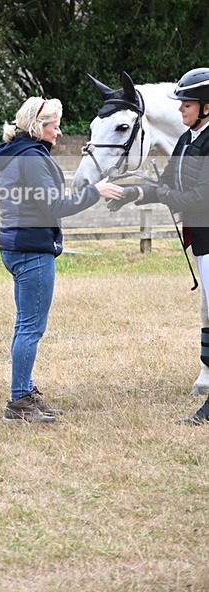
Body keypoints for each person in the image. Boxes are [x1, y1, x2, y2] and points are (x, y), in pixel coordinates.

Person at [0, 96, 124, 423]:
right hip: (31, 248)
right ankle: (19, 401)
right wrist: (95, 191)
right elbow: (53, 206)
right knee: (30, 327)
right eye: (55, 125)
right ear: (39, 127)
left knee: (25, 324)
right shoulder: (32, 158)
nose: (59, 131)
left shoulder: (18, 153)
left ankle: (25, 390)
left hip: (17, 244)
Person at [108, 67, 209, 425]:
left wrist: (164, 194)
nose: (180, 109)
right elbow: (166, 183)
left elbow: (200, 198)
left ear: (207, 106)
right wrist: (133, 192)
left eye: (187, 104)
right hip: (201, 239)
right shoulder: (187, 140)